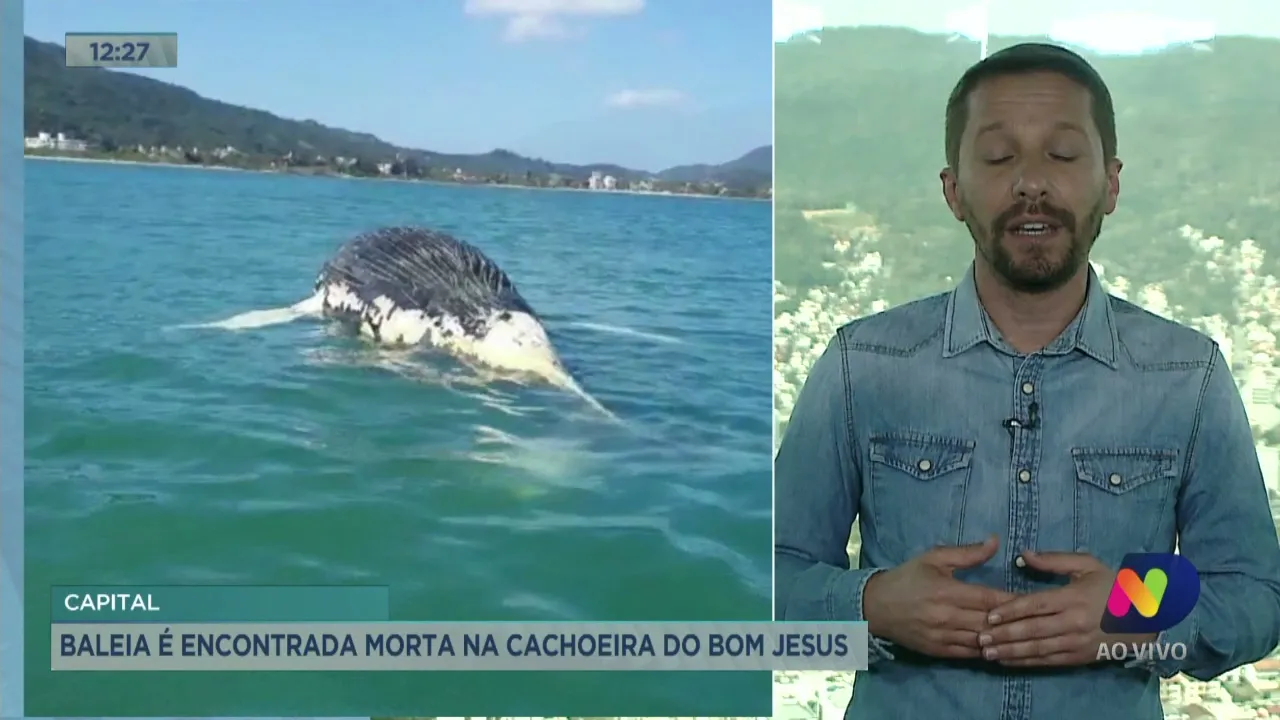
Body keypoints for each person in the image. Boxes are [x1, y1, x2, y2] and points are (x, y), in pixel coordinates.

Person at [773, 42, 1280, 719]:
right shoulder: (861, 364)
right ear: (953, 191)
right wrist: (871, 603)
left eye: (1063, 155)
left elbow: (1253, 595)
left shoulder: (1187, 376)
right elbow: (767, 577)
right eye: (998, 156)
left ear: (1112, 184)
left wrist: (1132, 611)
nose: (1031, 182)